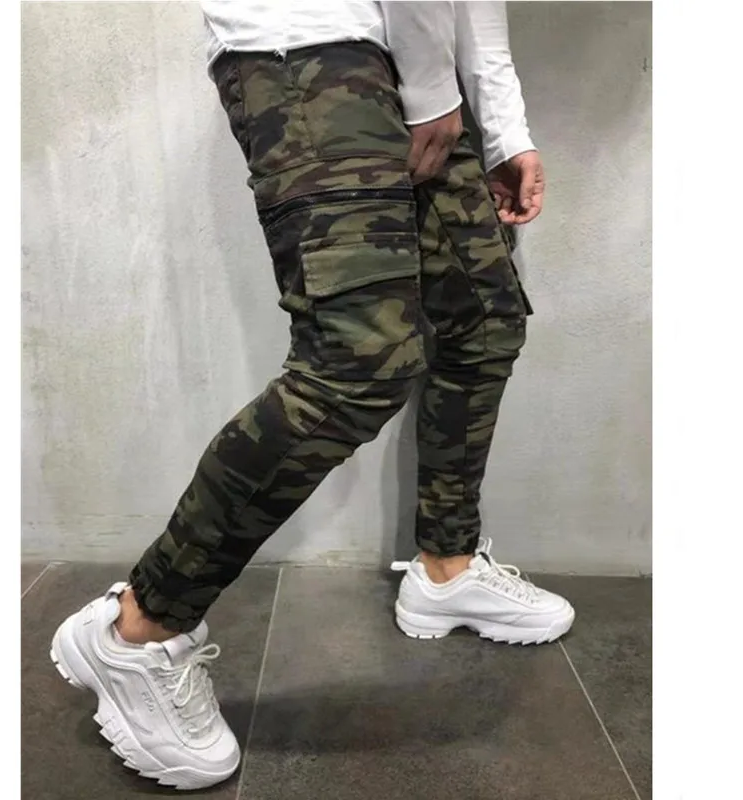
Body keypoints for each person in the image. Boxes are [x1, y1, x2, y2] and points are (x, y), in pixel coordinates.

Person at [48, 1, 574, 791]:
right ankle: (138, 630)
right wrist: (432, 89)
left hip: (420, 62)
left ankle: (447, 567)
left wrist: (503, 131)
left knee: (483, 324)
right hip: (313, 44)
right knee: (358, 365)